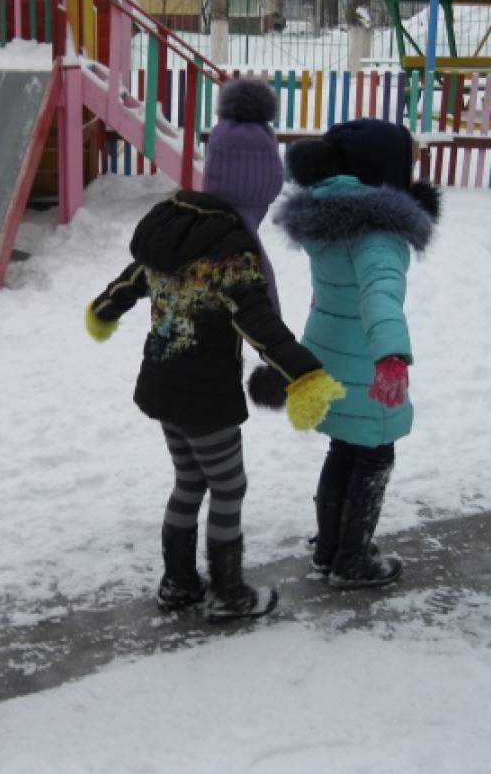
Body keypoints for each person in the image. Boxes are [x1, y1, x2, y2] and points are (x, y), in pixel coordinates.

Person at [85, 78, 344, 622]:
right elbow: (259, 324)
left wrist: (104, 311)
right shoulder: (231, 248)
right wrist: (306, 375)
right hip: (205, 396)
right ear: (259, 185)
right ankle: (228, 592)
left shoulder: (176, 221)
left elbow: (131, 280)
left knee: (189, 480)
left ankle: (179, 584)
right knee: (229, 485)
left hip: (161, 384)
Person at [275, 119, 439, 589]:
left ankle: (329, 549)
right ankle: (351, 558)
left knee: (344, 449)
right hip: (366, 362)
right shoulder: (378, 232)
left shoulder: (331, 216)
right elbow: (379, 294)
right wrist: (391, 356)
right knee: (373, 456)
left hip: (330, 353)